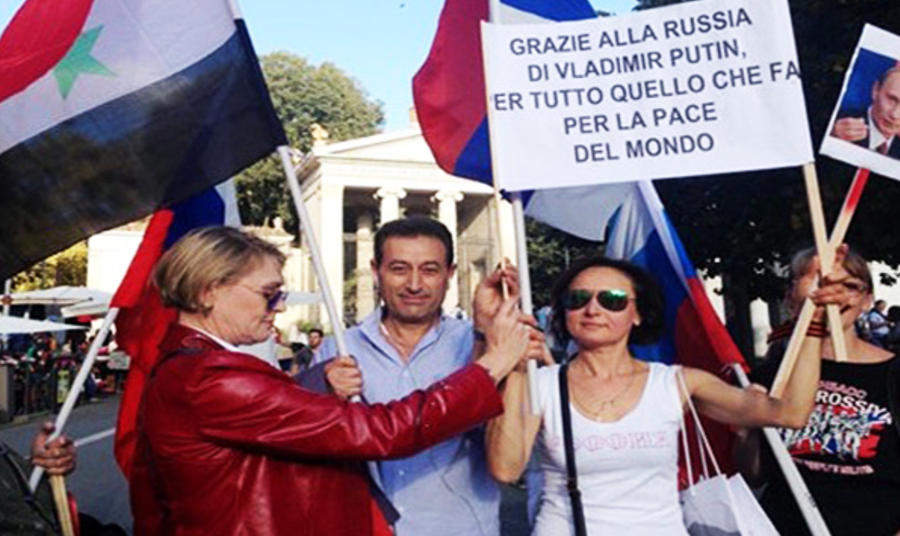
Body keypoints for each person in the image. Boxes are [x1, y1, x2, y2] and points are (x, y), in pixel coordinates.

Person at [129, 226, 531, 536]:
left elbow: (271, 420)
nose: (280, 306)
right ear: (208, 292)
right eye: (269, 294)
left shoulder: (200, 367)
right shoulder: (208, 376)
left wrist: (317, 383)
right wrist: (492, 364)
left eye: (429, 269)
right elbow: (383, 431)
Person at [485, 255, 837, 535]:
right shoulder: (540, 384)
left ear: (637, 314)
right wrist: (516, 368)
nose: (593, 309)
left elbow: (788, 413)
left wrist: (813, 317)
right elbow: (505, 468)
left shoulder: (677, 383)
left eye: (613, 300)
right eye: (578, 299)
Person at [304, 217, 514, 535]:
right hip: (366, 526)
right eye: (399, 269)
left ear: (450, 275)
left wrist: (485, 332)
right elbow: (310, 443)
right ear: (376, 272)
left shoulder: (478, 341)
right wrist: (324, 391)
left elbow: (493, 429)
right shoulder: (338, 350)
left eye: (429, 270)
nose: (414, 285)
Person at [737, 246, 900, 536]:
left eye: (849, 286)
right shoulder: (771, 376)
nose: (832, 295)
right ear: (791, 299)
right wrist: (746, 431)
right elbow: (755, 473)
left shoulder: (892, 375)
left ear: (867, 301)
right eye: (818, 284)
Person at [831, 65, 900, 158]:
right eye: (891, 99)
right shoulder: (836, 121)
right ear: (875, 90)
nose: (895, 114)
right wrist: (831, 137)